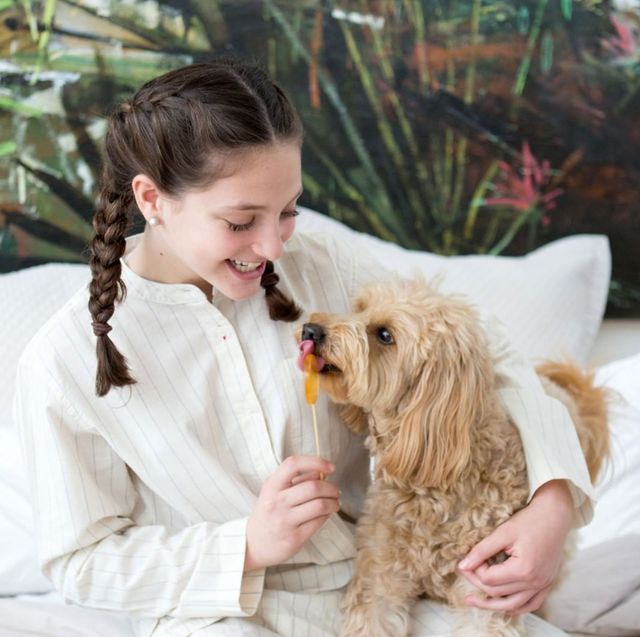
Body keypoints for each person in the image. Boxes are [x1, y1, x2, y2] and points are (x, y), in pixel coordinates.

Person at [14, 58, 594, 637]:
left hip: (383, 586)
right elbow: (81, 562)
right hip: (219, 615)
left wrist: (553, 502)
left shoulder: (326, 264)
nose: (272, 245)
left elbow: (484, 359)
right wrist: (245, 544)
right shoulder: (62, 362)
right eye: (241, 221)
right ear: (152, 199)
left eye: (287, 210)